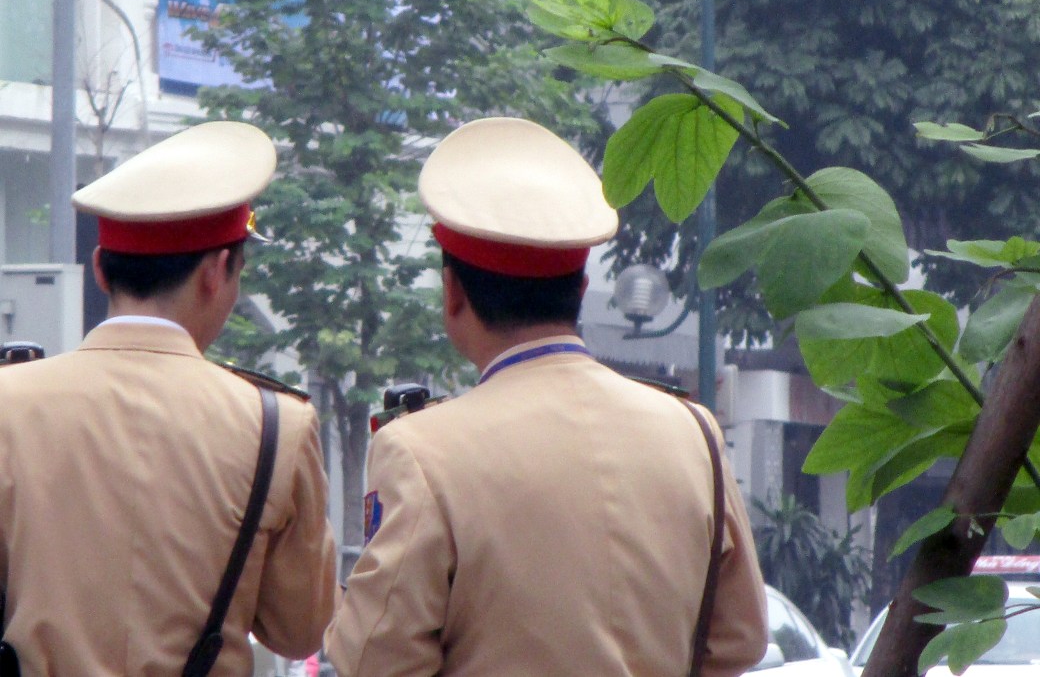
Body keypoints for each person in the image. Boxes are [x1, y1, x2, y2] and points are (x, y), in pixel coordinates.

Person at [324, 117, 768, 676]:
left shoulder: (421, 451)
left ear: (452, 290)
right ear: (580, 290)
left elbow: (372, 659)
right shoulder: (695, 434)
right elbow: (742, 641)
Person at [0, 121, 337, 675]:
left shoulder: (11, 402)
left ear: (101, 270)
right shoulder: (276, 424)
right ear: (218, 272)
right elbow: (300, 627)